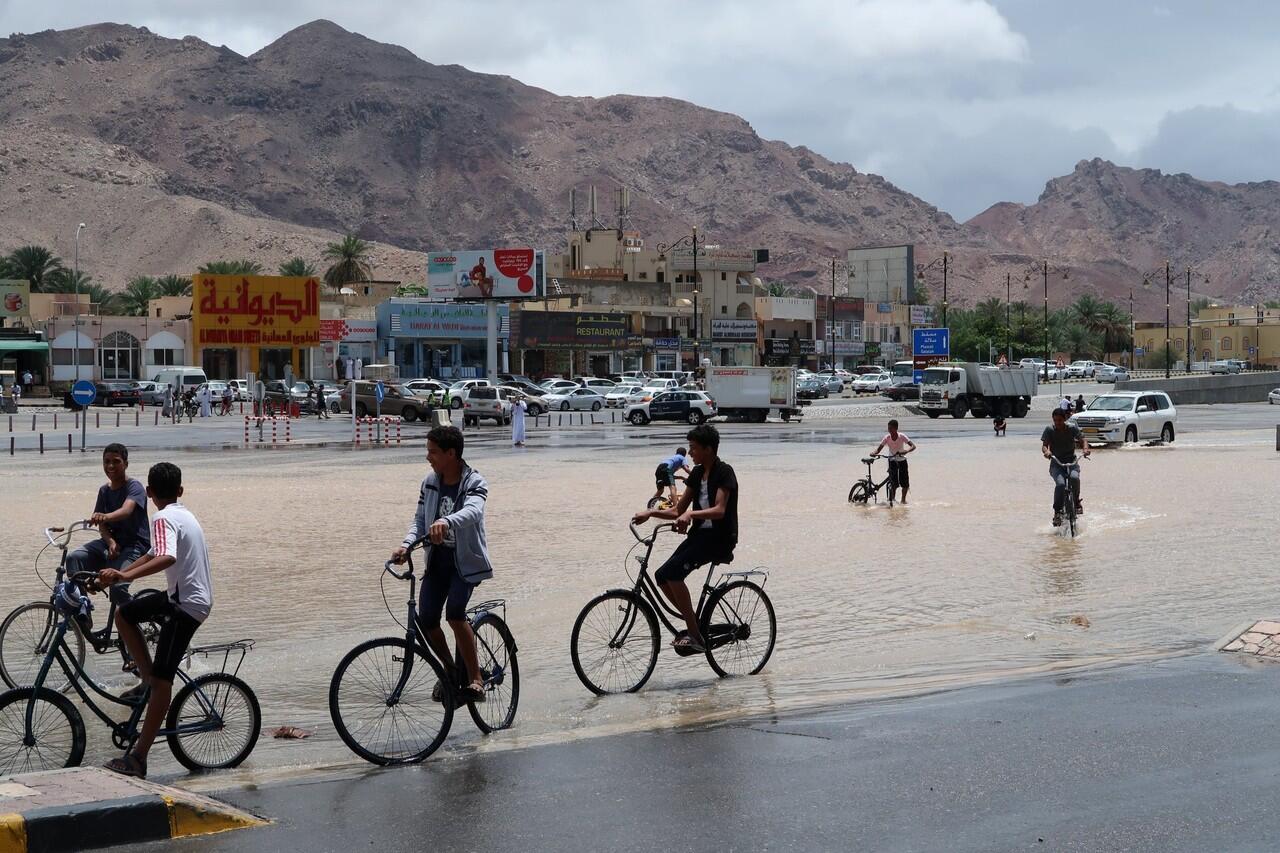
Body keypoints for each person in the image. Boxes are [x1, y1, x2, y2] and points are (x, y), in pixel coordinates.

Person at [98, 462, 212, 779]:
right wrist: (122, 577)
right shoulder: (183, 513)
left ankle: (139, 758)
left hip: (187, 605)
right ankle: (146, 679)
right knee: (125, 614)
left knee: (164, 682)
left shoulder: (162, 517)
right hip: (183, 596)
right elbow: (151, 553)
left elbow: (167, 557)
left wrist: (122, 574)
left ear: (148, 493)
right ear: (180, 491)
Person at [391, 426, 492, 703]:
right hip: (437, 562)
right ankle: (450, 668)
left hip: (465, 564)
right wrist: (406, 545)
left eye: (433, 452)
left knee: (455, 614)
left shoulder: (474, 482)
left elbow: (474, 511)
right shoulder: (430, 482)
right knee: (426, 619)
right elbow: (419, 519)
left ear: (451, 453)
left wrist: (447, 521)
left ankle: (476, 679)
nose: (428, 457)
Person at [632, 425, 738, 653]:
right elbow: (678, 510)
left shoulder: (724, 472)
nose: (690, 454)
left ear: (708, 449)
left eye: (694, 448)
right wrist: (650, 512)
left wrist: (690, 514)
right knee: (661, 576)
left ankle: (695, 634)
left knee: (674, 574)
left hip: (719, 538)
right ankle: (693, 622)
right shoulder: (698, 474)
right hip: (699, 536)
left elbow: (719, 510)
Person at [67, 444, 152, 625]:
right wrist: (111, 541)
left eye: (116, 462)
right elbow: (102, 526)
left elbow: (126, 510)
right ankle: (83, 609)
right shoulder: (104, 490)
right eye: (106, 462)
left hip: (135, 546)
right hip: (111, 544)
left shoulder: (135, 487)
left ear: (126, 464)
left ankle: (134, 630)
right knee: (74, 558)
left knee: (118, 589)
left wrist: (105, 516)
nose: (110, 466)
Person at [1041, 407, 1091, 526]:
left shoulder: (1072, 428)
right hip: (1056, 463)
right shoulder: (1049, 430)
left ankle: (1077, 502)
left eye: (1060, 420)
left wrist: (1085, 449)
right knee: (1061, 484)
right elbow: (1044, 445)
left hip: (1072, 462)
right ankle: (1057, 512)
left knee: (1074, 478)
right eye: (1055, 421)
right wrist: (1047, 452)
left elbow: (1083, 439)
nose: (1057, 423)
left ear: (1065, 419)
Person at [872, 419, 917, 504]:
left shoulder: (902, 436)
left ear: (896, 428)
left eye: (891, 429)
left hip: (902, 460)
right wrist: (873, 453)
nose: (889, 430)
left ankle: (903, 500)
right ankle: (892, 500)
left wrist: (906, 451)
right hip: (892, 460)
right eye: (888, 428)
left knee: (905, 483)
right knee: (894, 483)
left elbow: (913, 446)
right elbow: (878, 449)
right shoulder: (887, 437)